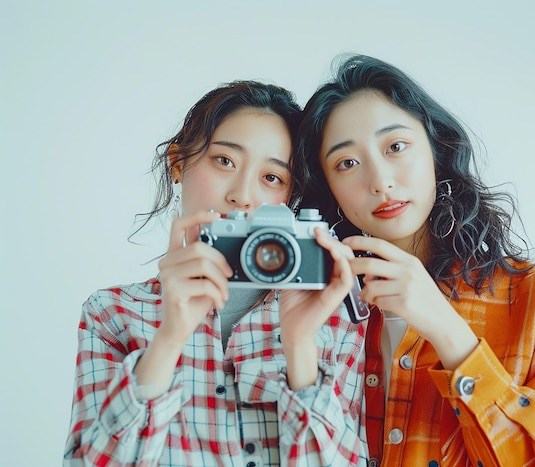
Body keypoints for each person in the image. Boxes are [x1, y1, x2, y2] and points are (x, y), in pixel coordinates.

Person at [298, 54, 535, 466]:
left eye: (395, 146)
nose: (380, 180)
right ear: (329, 188)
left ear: (436, 150)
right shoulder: (313, 310)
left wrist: (449, 333)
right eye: (347, 163)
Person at [64, 80, 369, 466]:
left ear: (288, 198)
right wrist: (169, 339)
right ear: (178, 162)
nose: (242, 194)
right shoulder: (111, 314)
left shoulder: (331, 312)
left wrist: (299, 346)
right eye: (225, 161)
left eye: (271, 177)